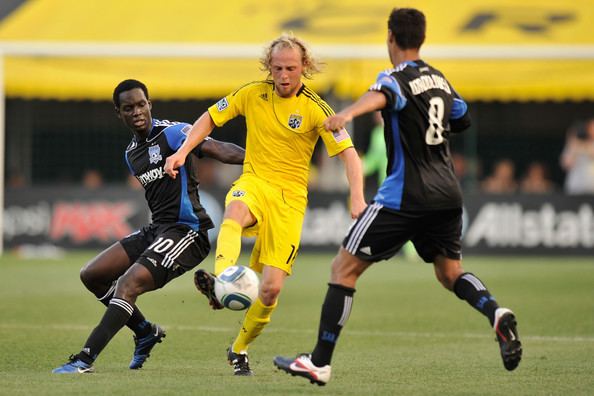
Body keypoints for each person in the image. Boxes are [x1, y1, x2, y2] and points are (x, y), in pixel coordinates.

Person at [273, 8, 522, 386]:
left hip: (405, 195)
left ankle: (319, 362)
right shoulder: (439, 78)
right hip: (447, 194)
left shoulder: (393, 77)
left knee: (343, 269)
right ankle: (495, 312)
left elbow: (381, 96)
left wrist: (347, 113)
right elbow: (462, 117)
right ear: (421, 37)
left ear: (390, 37)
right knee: (450, 272)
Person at [164, 34, 366, 376]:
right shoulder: (252, 93)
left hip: (289, 202)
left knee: (270, 290)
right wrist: (182, 152)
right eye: (277, 68)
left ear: (304, 67)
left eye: (290, 68)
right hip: (254, 183)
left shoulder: (316, 108)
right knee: (235, 213)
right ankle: (220, 279)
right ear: (268, 68)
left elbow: (350, 155)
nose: (284, 75)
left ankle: (239, 349)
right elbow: (210, 118)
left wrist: (357, 196)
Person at [52, 79, 245, 374]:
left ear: (150, 104)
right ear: (119, 113)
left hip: (188, 231)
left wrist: (260, 159)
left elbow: (217, 148)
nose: (137, 112)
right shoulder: (131, 154)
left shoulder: (175, 133)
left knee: (128, 284)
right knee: (92, 275)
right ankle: (144, 331)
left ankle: (84, 359)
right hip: (157, 230)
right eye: (128, 108)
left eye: (141, 105)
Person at [560, 118, 594, 195]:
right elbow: (566, 164)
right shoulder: (572, 145)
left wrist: (579, 146)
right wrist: (573, 145)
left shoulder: (577, 144)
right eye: (591, 128)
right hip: (575, 188)